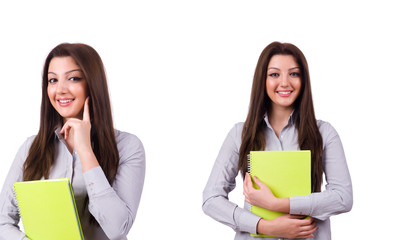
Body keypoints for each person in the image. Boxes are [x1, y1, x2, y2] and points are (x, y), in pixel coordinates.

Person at [202, 42, 353, 239]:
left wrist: (277, 204)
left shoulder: (324, 133)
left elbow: (343, 198)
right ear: (262, 80)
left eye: (294, 74)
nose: (284, 83)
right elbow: (211, 199)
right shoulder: (240, 133)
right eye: (274, 74)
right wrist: (264, 226)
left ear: (303, 80)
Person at [0, 43, 145, 240]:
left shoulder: (128, 146)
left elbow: (117, 229)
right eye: (52, 80)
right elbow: (3, 222)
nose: (60, 89)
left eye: (73, 78)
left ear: (92, 84)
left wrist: (85, 151)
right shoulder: (30, 148)